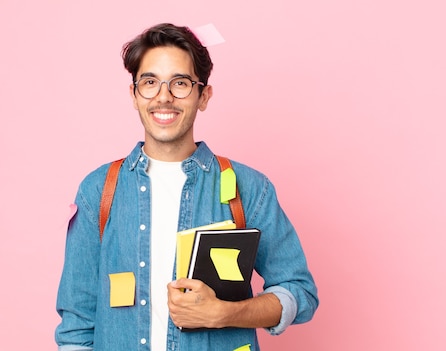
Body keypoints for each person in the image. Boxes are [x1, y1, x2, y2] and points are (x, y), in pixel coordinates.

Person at [55, 23, 318, 351]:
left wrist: (226, 313)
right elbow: (77, 324)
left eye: (180, 83)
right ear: (134, 95)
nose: (163, 97)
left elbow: (299, 292)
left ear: (203, 95)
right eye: (150, 82)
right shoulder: (98, 191)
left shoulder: (249, 189)